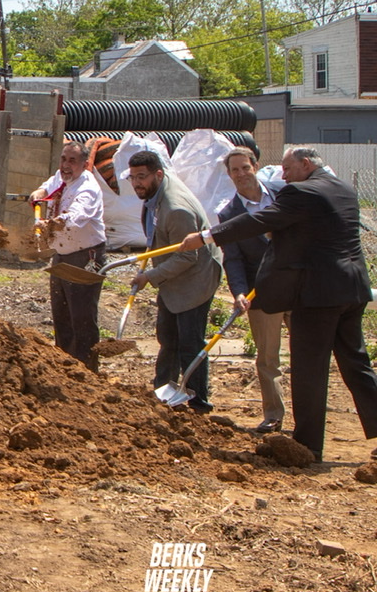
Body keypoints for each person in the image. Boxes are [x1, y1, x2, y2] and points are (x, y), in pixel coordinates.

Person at [180, 147, 377, 461]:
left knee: (309, 370)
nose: (283, 176)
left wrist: (207, 236)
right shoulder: (343, 188)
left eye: (287, 169)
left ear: (306, 164)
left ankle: (307, 446)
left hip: (317, 295)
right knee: (356, 364)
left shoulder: (301, 191)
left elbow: (260, 220)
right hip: (352, 289)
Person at [127, 150, 222, 414]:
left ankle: (198, 402)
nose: (137, 183)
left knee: (190, 342)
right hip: (173, 275)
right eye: (133, 177)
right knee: (168, 335)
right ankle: (163, 393)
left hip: (195, 278)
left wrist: (149, 277)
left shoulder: (176, 208)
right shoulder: (156, 193)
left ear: (158, 174)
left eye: (142, 177)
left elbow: (187, 258)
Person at [215, 146, 285, 433]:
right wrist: (239, 292)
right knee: (268, 358)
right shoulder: (229, 214)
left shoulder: (284, 195)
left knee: (309, 355)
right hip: (262, 292)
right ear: (229, 175)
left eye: (245, 167)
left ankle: (309, 419)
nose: (241, 174)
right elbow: (233, 258)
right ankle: (274, 415)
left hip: (300, 288)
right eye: (235, 170)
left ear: (255, 166)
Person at [28, 141, 106, 369]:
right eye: (64, 159)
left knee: (81, 317)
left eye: (72, 160)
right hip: (61, 254)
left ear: (85, 163)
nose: (66, 165)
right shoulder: (62, 176)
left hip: (84, 257)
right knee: (61, 314)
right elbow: (48, 185)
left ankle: (86, 370)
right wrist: (39, 193)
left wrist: (49, 225)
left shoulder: (88, 189)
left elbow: (75, 217)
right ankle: (64, 366)